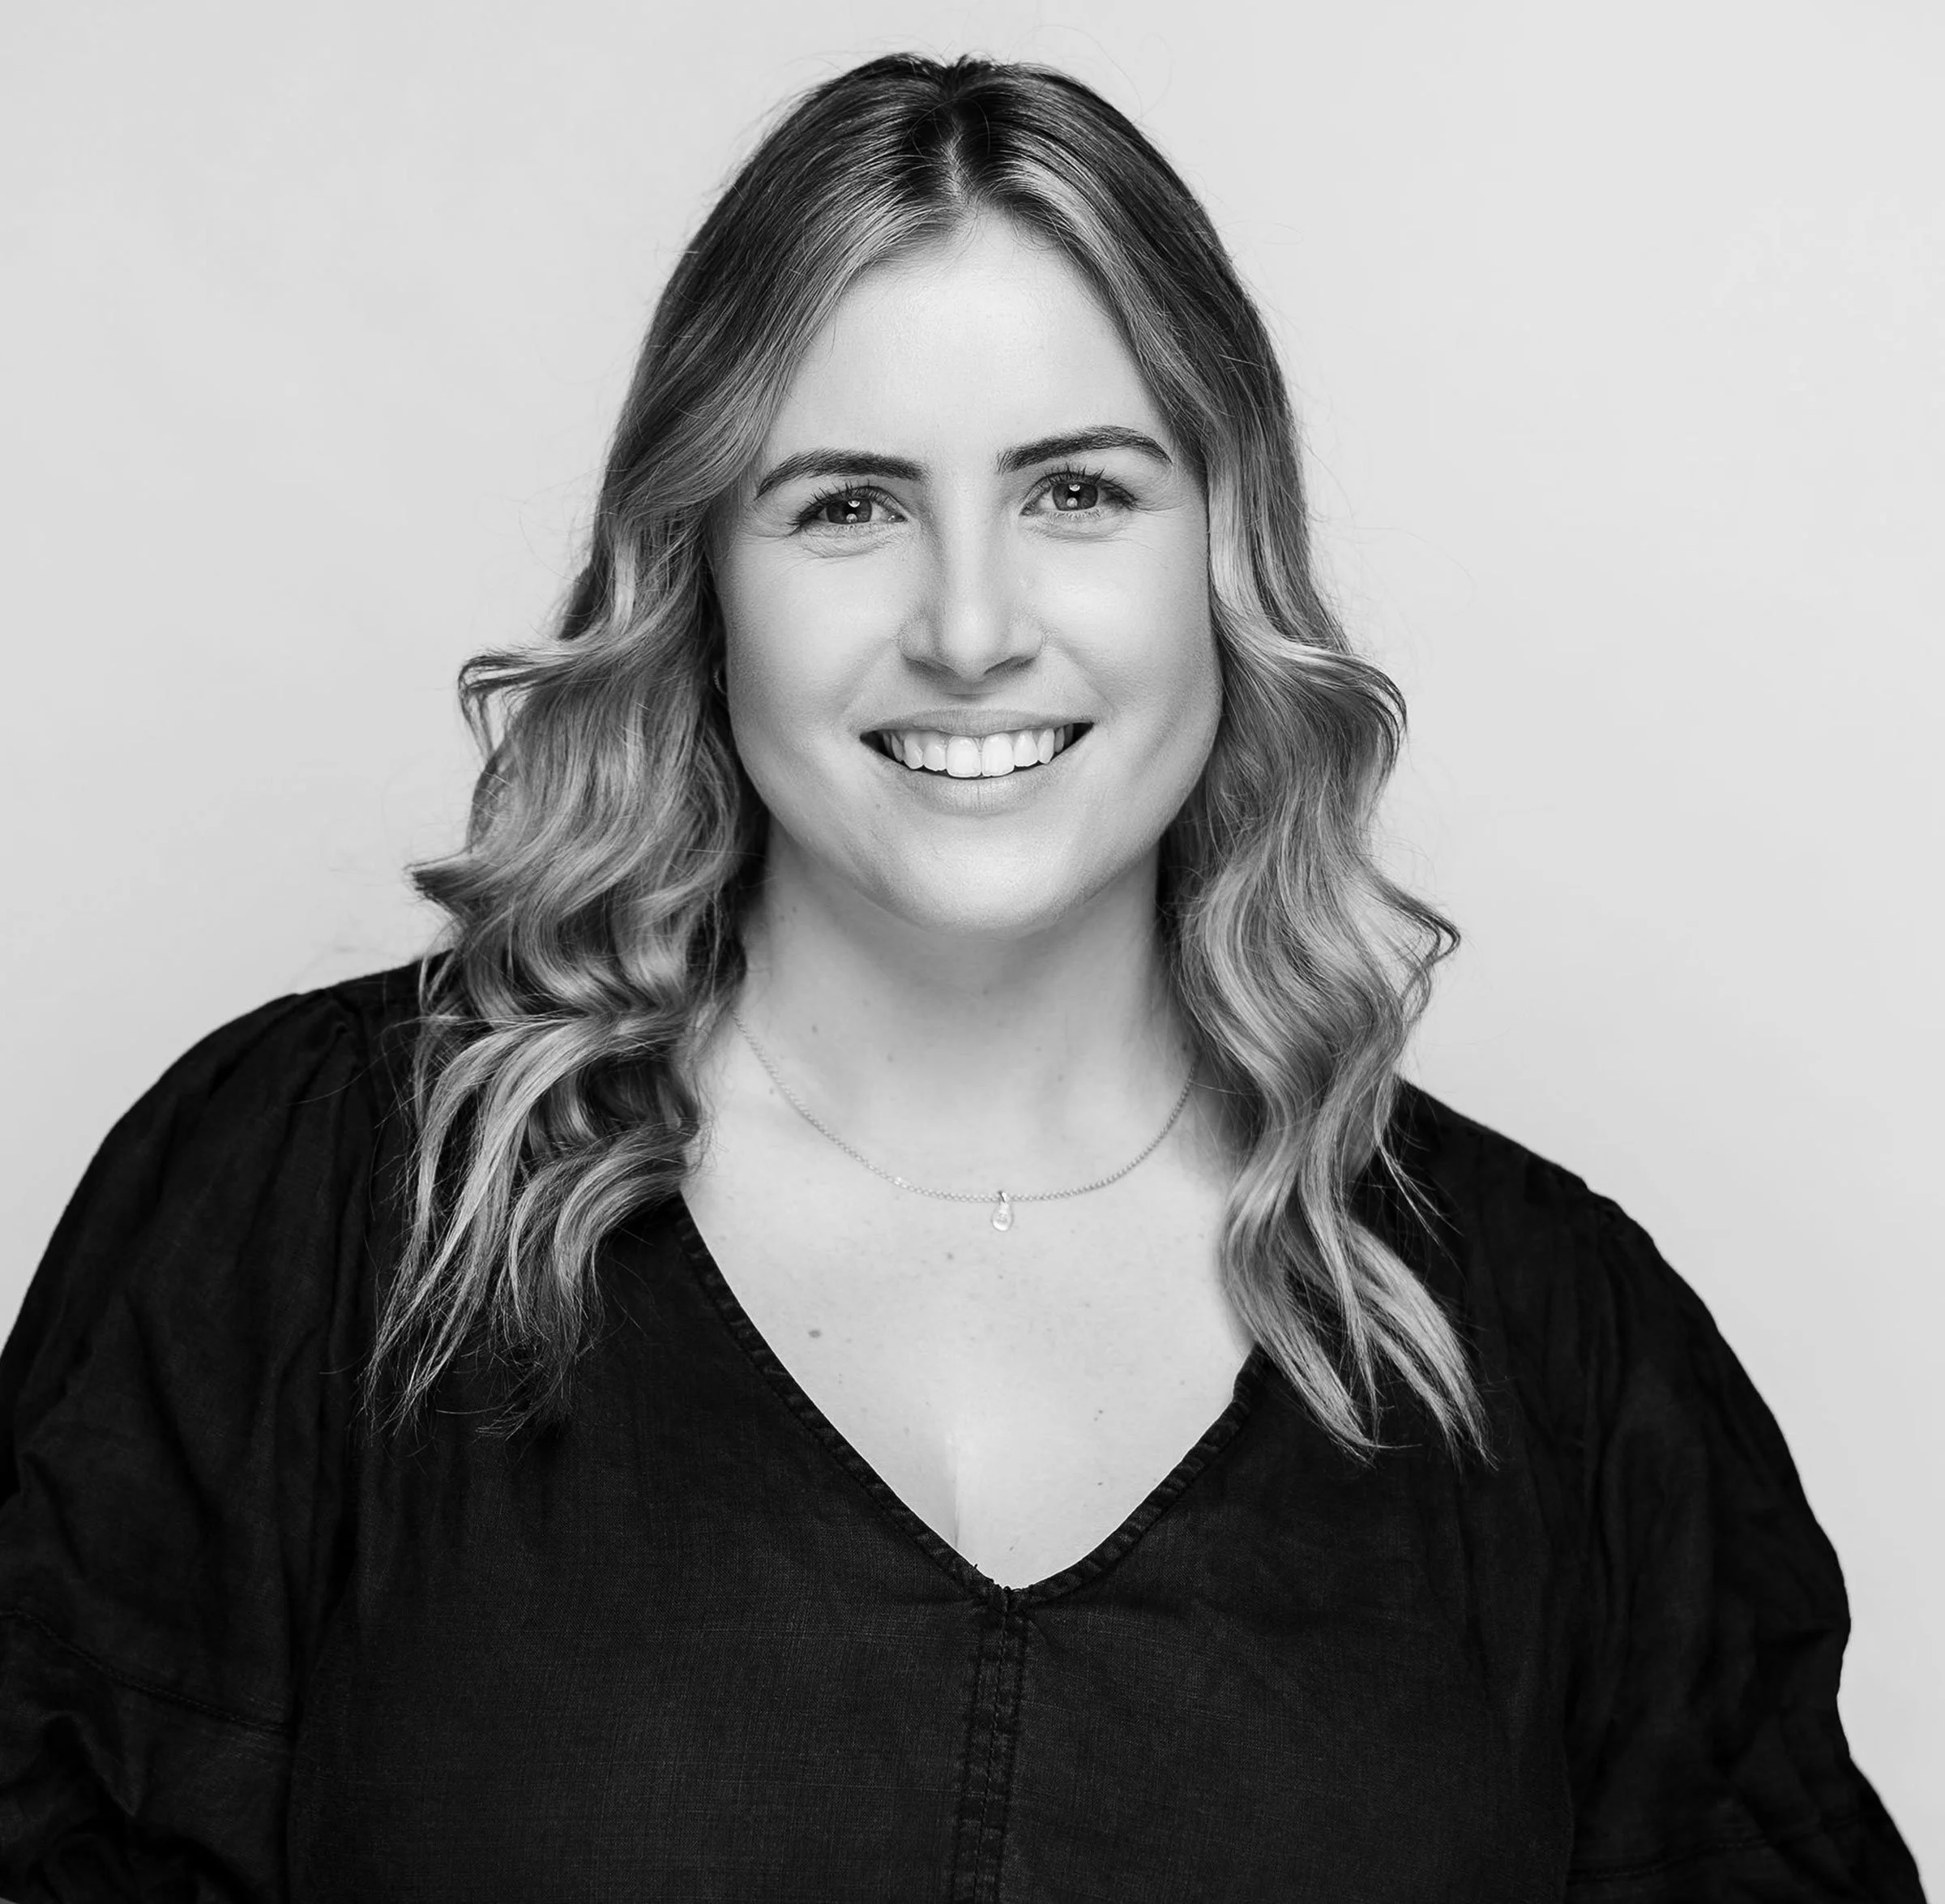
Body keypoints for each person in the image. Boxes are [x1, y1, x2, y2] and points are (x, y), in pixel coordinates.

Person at [0, 51, 1924, 1904]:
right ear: (702, 580)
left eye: (1078, 491)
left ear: (1226, 555)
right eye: (847, 502)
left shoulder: (1565, 1361)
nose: (974, 626)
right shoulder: (313, 1215)